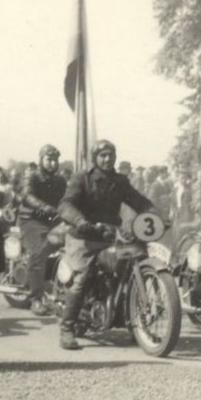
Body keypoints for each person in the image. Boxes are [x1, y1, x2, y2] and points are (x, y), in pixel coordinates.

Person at [57, 139, 157, 350]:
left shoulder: (119, 181)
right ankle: (67, 329)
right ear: (95, 158)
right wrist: (80, 221)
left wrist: (155, 214)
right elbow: (65, 205)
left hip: (109, 236)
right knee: (82, 277)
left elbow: (138, 201)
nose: (107, 158)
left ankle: (135, 323)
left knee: (127, 269)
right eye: (102, 155)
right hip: (83, 237)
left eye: (110, 154)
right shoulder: (81, 179)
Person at [19, 144, 67, 315]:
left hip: (53, 220)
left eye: (55, 159)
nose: (53, 163)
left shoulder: (60, 180)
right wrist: (44, 207)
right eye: (49, 159)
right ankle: (36, 299)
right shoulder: (31, 177)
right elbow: (27, 195)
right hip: (31, 219)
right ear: (41, 159)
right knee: (39, 251)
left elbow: (67, 199)